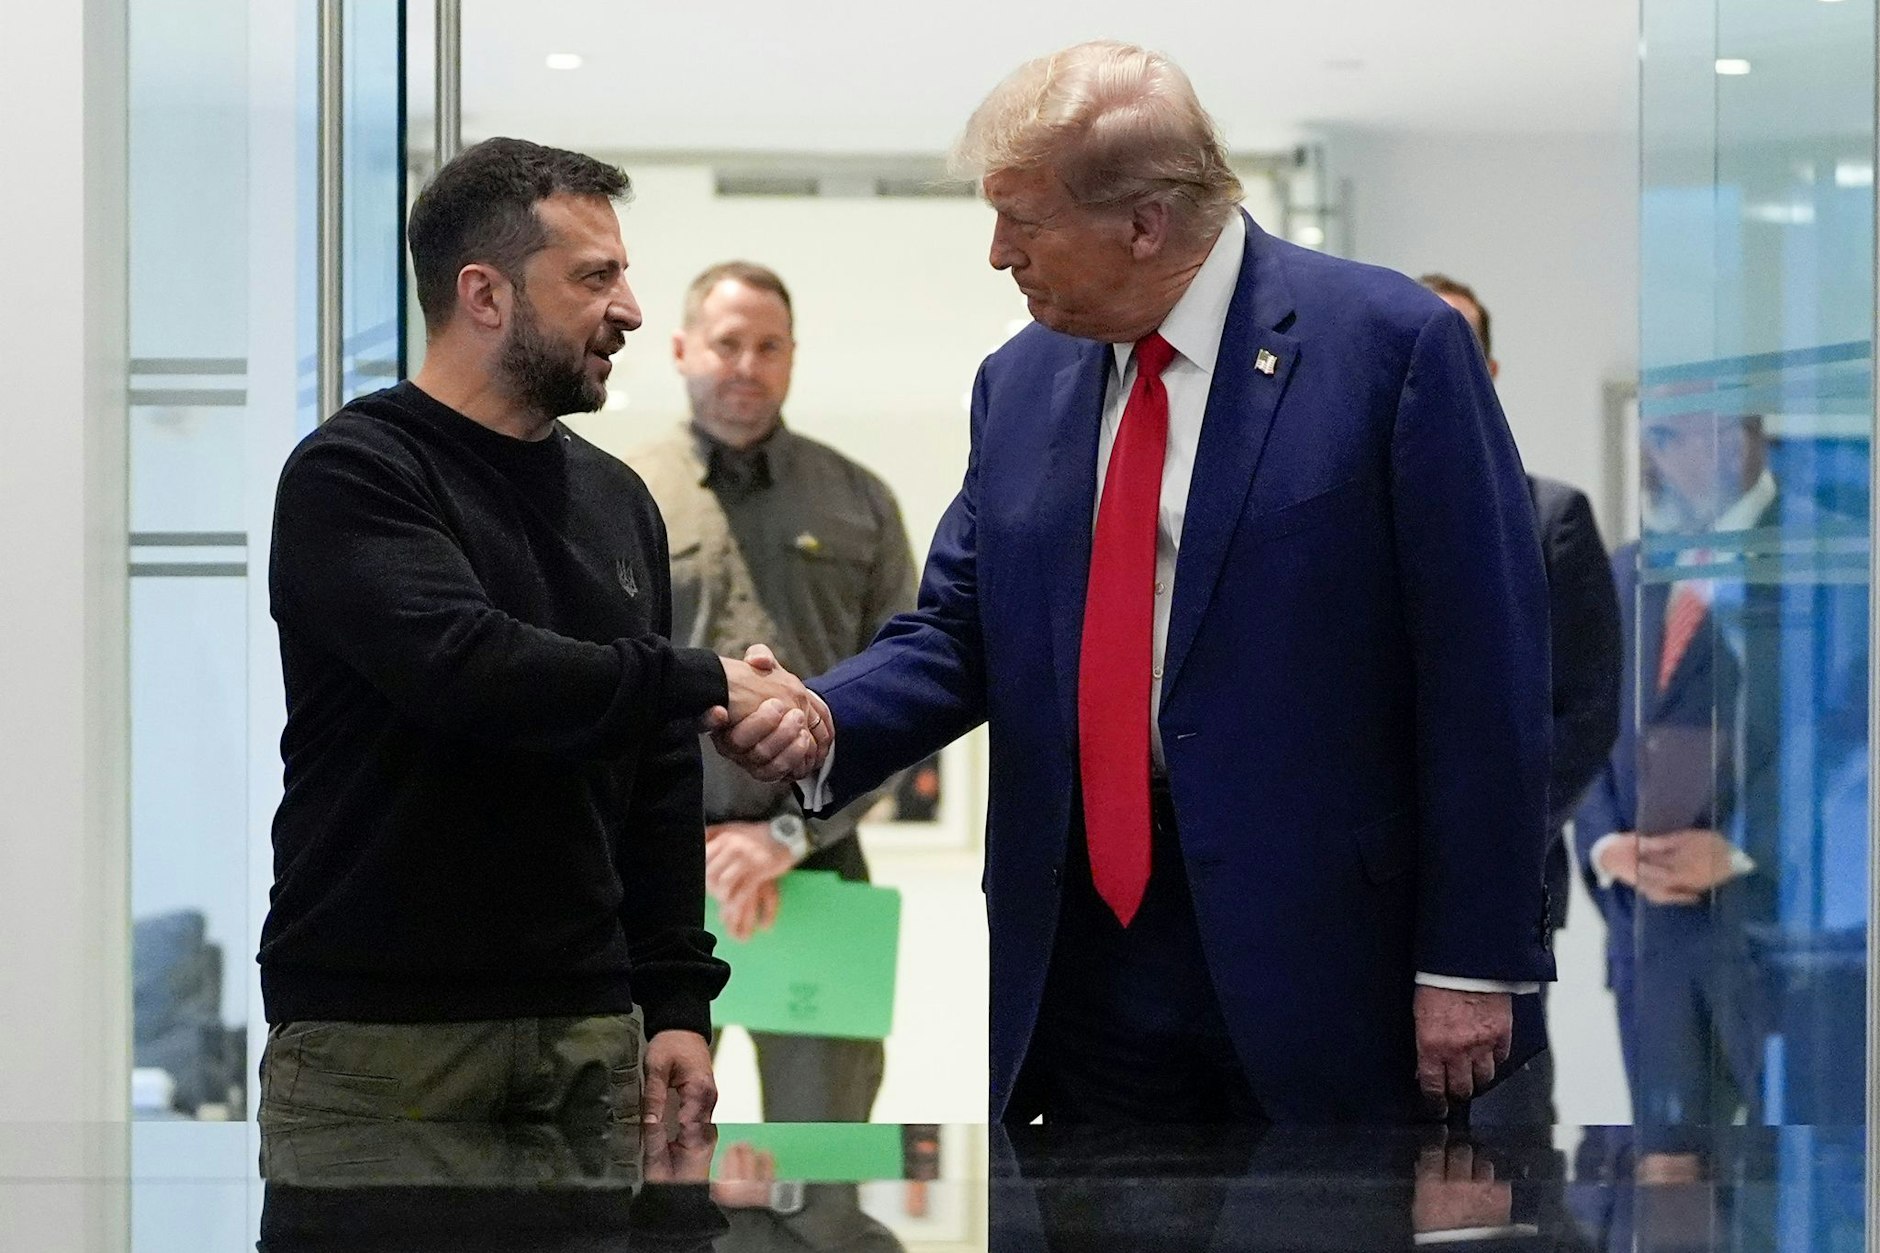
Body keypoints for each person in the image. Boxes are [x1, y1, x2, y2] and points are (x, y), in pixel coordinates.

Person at [721, 42, 1554, 1123]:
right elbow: (962, 628)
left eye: (1022, 219)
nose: (995, 254)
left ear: (1144, 222)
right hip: (1078, 959)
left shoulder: (1389, 349)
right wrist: (826, 716)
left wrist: (1470, 958)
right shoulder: (1018, 381)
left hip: (1325, 960)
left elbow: (1483, 667)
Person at [258, 138, 828, 1129]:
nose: (631, 310)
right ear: (485, 294)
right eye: (594, 277)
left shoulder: (618, 500)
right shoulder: (354, 473)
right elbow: (467, 668)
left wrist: (676, 1001)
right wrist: (706, 679)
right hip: (382, 1041)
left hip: (590, 1033)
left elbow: (654, 775)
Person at [628, 261, 918, 1122]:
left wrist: (789, 835)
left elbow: (906, 694)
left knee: (823, 1158)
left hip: (820, 875)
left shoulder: (860, 501)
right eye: (726, 343)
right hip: (660, 888)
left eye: (768, 346)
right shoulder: (621, 496)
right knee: (651, 1144)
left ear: (792, 358)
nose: (745, 364)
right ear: (682, 349)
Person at [1575, 411, 1868, 1166]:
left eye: (1671, 434)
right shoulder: (1626, 569)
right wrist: (1608, 843)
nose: (1653, 455)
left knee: (1799, 1185)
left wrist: (1742, 846)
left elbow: (1847, 735)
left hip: (1786, 938)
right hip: (1653, 934)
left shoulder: (1835, 558)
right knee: (1670, 1184)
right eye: (1650, 435)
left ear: (1734, 438)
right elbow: (1580, 719)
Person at [1420, 274, 1623, 1126]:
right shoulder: (1332, 518)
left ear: (1490, 369)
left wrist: (1486, 840)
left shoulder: (1553, 517)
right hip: (1350, 903)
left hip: (1505, 897)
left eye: (1457, 351)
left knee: (1501, 1161)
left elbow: (1586, 713)